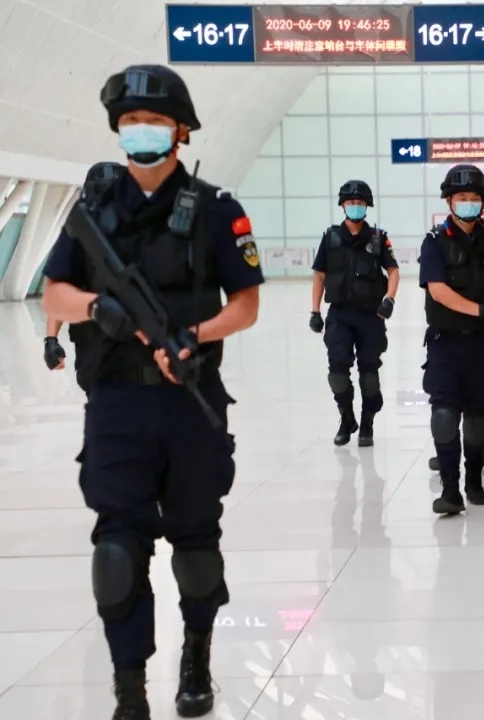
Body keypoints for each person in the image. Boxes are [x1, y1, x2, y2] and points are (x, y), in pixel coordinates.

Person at [41, 64, 263, 720]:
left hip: (189, 399)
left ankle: (196, 657)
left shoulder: (218, 209)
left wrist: (196, 334)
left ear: (180, 131)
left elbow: (246, 305)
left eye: (156, 122)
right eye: (132, 121)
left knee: (195, 542)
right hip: (116, 403)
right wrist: (97, 309)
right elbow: (54, 294)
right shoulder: (92, 212)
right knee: (117, 547)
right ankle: (129, 686)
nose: (142, 131)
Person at [419, 164, 484, 515]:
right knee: (444, 412)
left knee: (478, 413)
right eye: (461, 197)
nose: (468, 203)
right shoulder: (435, 242)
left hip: (483, 343)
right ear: (449, 201)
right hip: (445, 342)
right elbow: (438, 291)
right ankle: (450, 490)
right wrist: (481, 309)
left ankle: (474, 482)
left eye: (474, 198)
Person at [309, 179, 400, 447]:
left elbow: (393, 271)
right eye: (350, 202)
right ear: (342, 205)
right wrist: (315, 310)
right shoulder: (331, 237)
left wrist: (389, 300)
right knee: (337, 370)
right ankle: (346, 417)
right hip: (339, 315)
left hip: (371, 316)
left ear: (367, 206)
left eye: (360, 202)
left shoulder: (378, 238)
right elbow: (319, 275)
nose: (355, 206)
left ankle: (367, 422)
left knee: (369, 373)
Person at [44, 161, 125, 385]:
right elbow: (60, 290)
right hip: (94, 352)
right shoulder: (79, 238)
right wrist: (51, 341)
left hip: (136, 351)